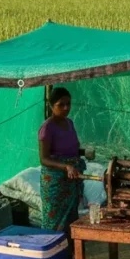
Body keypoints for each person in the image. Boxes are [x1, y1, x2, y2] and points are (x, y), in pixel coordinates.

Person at [37, 87, 86, 238]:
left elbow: (70, 150)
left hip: (71, 180)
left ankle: (70, 256)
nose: (66, 108)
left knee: (71, 219)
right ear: (51, 106)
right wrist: (66, 166)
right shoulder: (47, 128)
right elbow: (44, 159)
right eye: (61, 105)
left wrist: (83, 153)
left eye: (68, 104)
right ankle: (52, 256)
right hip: (56, 183)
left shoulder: (70, 123)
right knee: (55, 220)